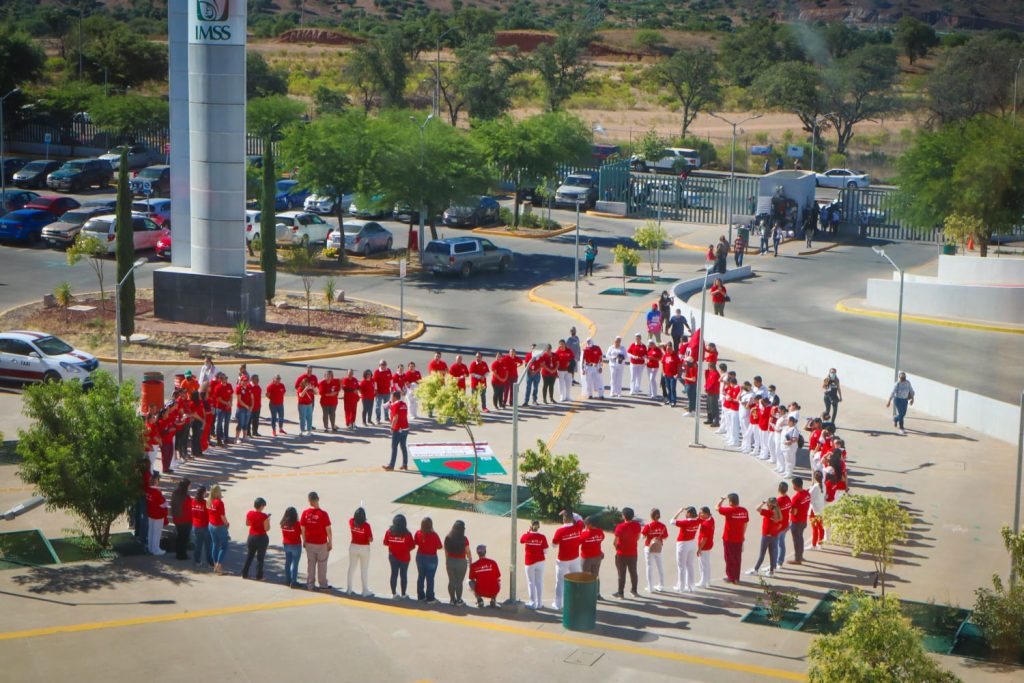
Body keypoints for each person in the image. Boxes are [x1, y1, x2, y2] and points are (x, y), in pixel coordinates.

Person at [551, 510, 584, 610]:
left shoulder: (560, 531)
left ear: (563, 519)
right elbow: (580, 518)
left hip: (563, 561)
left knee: (560, 582)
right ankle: (577, 602)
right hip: (575, 558)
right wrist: (572, 513)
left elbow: (554, 545)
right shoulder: (578, 527)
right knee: (577, 580)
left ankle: (558, 604)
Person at [301, 492, 332, 591]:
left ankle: (310, 584)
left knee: (311, 564)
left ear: (309, 501)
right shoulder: (323, 514)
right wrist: (330, 541)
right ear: (318, 499)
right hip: (321, 543)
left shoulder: (305, 513)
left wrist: (304, 540)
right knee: (322, 564)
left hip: (309, 543)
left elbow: (303, 528)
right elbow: (328, 530)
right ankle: (323, 584)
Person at [717, 494, 748, 584]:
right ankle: (736, 578)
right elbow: (745, 524)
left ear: (730, 502)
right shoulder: (744, 510)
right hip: (739, 538)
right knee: (737, 558)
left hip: (729, 538)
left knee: (729, 557)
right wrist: (743, 534)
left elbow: (717, 507)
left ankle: (730, 576)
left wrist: (721, 500)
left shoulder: (729, 510)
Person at [747, 498, 782, 577]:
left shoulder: (769, 512)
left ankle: (756, 569)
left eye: (767, 504)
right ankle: (771, 572)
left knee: (762, 554)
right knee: (772, 554)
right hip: (774, 536)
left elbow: (757, 508)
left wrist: (762, 502)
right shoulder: (778, 513)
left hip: (766, 536)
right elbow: (780, 524)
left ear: (770, 505)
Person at [384, 514, 415, 600]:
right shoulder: (407, 534)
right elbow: (412, 546)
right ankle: (403, 594)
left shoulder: (389, 532)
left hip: (392, 556)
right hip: (404, 557)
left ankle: (394, 593)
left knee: (394, 574)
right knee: (403, 575)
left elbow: (385, 542)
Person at [612, 507, 642, 598]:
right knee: (633, 572)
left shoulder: (620, 527)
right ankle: (634, 590)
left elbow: (615, 542)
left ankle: (620, 593)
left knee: (622, 574)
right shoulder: (637, 525)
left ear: (624, 516)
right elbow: (638, 537)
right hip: (633, 553)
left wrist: (617, 548)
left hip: (621, 554)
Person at [520, 519, 549, 609]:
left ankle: (532, 603)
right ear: (538, 527)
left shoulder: (526, 536)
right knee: (539, 582)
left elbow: (521, 540)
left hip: (529, 562)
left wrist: (528, 531)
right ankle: (539, 603)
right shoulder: (542, 537)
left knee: (531, 582)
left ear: (531, 526)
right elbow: (546, 551)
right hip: (540, 562)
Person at [670, 506, 700, 592]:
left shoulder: (685, 522)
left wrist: (679, 512)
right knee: (690, 565)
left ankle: (681, 587)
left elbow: (672, 521)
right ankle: (691, 586)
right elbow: (699, 517)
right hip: (692, 543)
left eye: (686, 513)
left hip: (683, 545)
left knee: (681, 566)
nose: (685, 514)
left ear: (689, 514)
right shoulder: (697, 521)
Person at [241, 497, 271, 581]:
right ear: (261, 506)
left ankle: (244, 573)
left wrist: (255, 522)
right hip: (261, 538)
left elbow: (247, 523)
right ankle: (259, 576)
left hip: (251, 537)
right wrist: (268, 520)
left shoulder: (250, 513)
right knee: (260, 558)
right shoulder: (264, 516)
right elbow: (267, 529)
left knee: (249, 556)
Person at [444, 520, 472, 606]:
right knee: (459, 582)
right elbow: (468, 552)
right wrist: (470, 560)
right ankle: (459, 600)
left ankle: (452, 600)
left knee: (451, 581)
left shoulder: (448, 537)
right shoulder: (464, 539)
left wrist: (447, 561)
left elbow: (446, 551)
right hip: (461, 562)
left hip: (450, 561)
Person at [414, 517, 442, 603]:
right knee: (430, 578)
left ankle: (421, 596)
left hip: (420, 557)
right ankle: (430, 598)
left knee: (421, 576)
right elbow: (440, 546)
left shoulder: (418, 533)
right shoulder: (434, 535)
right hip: (431, 558)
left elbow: (415, 542)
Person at [346, 507, 372, 596]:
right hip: (364, 548)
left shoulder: (351, 521)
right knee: (364, 569)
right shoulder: (366, 525)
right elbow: (370, 539)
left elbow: (352, 519)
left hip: (353, 546)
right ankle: (365, 591)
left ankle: (349, 589)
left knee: (351, 568)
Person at [641, 508, 668, 592]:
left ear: (651, 515)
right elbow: (665, 537)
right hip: (659, 548)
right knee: (660, 566)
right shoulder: (663, 526)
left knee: (649, 567)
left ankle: (650, 587)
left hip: (649, 548)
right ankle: (661, 585)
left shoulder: (648, 526)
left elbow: (642, 537)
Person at [383, 390, 410, 471]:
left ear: (394, 397)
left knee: (394, 447)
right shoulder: (404, 404)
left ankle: (391, 465)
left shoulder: (395, 405)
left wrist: (392, 427)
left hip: (398, 429)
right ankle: (405, 464)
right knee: (403, 446)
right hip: (405, 427)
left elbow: (395, 417)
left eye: (392, 396)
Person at [145, 471, 168, 556]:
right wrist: (166, 504)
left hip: (150, 513)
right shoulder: (157, 492)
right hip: (158, 514)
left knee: (150, 531)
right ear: (156, 481)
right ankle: (156, 549)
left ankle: (151, 548)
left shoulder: (148, 489)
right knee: (156, 533)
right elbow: (163, 504)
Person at [170, 478, 193, 561]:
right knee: (184, 538)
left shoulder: (175, 493)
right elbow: (189, 509)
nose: (190, 486)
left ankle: (178, 553)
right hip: (186, 520)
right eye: (189, 485)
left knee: (180, 537)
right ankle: (182, 555)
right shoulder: (186, 497)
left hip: (177, 519)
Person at [209, 485, 229, 574]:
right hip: (219, 526)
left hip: (211, 525)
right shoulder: (219, 502)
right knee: (224, 546)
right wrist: (227, 523)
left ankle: (214, 564)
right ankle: (218, 565)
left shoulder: (209, 501)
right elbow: (222, 516)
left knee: (215, 544)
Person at [579, 516, 605, 587]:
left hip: (587, 558)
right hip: (597, 556)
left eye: (585, 524)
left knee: (586, 576)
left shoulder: (585, 534)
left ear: (589, 525)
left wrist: (583, 532)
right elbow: (602, 538)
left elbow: (578, 542)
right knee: (595, 575)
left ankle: (586, 593)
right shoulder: (600, 531)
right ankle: (597, 593)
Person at [281, 506, 302, 588]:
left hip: (286, 544)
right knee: (295, 563)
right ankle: (294, 582)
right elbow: (300, 532)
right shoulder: (297, 524)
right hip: (296, 544)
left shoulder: (283, 523)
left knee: (287, 562)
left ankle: (287, 579)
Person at [191, 485, 212, 568]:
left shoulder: (193, 501)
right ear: (203, 493)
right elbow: (209, 515)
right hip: (205, 526)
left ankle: (197, 561)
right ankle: (210, 562)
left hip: (195, 526)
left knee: (198, 544)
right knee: (208, 545)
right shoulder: (205, 503)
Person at [694, 507, 715, 588]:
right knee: (707, 564)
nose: (700, 514)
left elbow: (704, 538)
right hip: (709, 545)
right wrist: (699, 516)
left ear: (706, 514)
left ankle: (703, 582)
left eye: (701, 513)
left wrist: (699, 549)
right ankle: (708, 581)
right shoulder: (711, 519)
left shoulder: (705, 524)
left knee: (703, 565)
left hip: (704, 547)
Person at [774, 482, 792, 568]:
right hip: (785, 524)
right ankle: (780, 562)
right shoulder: (788, 499)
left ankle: (774, 563)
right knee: (781, 544)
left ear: (778, 490)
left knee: (775, 545)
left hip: (778, 526)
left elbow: (775, 515)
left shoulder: (777, 501)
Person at [809, 470, 826, 549]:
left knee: (814, 528)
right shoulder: (823, 485)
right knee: (821, 527)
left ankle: (814, 544)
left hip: (814, 510)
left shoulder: (815, 487)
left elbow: (809, 497)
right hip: (821, 509)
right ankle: (820, 543)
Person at [704, 363, 721, 428]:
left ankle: (716, 421)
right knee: (709, 406)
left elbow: (713, 383)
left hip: (713, 392)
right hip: (709, 392)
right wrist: (706, 387)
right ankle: (710, 419)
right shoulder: (711, 373)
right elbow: (707, 381)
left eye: (709, 367)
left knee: (714, 407)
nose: (708, 369)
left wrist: (707, 388)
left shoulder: (716, 374)